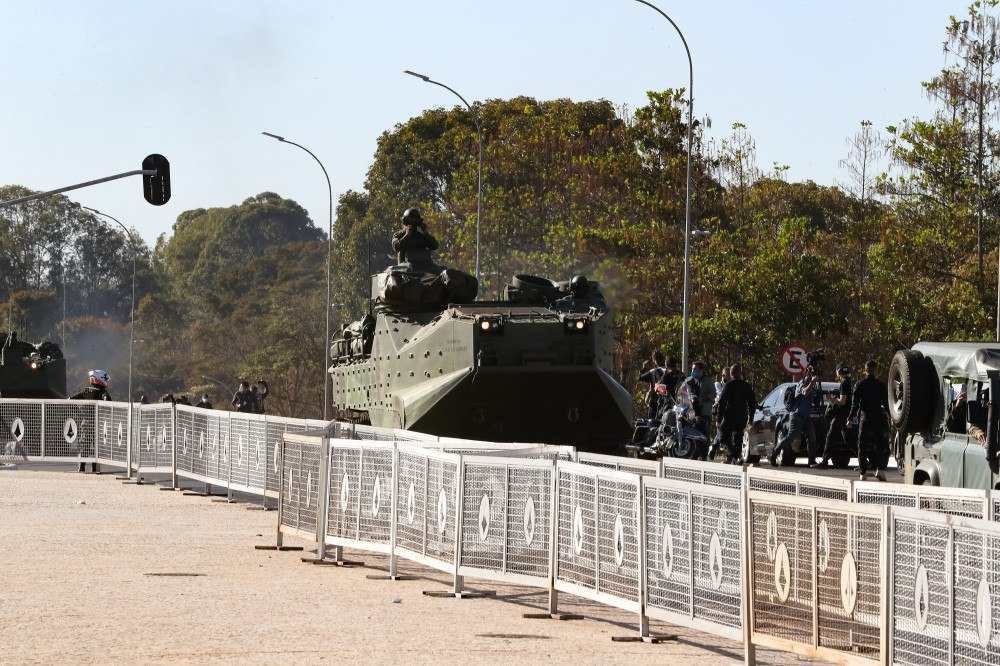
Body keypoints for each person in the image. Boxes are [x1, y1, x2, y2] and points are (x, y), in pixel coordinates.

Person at [849, 359, 891, 481]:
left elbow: (855, 404)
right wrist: (890, 417)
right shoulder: (880, 385)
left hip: (865, 418)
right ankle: (880, 470)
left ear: (865, 370)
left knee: (862, 445)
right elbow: (886, 404)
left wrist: (850, 418)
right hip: (878, 417)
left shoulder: (860, 384)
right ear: (875, 370)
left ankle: (863, 472)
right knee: (881, 445)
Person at [775, 368, 819, 466]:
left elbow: (814, 398)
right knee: (791, 436)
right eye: (808, 374)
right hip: (797, 415)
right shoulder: (801, 383)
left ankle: (811, 461)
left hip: (806, 416)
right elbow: (804, 392)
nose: (810, 376)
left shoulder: (813, 385)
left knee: (812, 438)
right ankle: (775, 452)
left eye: (811, 375)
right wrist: (812, 382)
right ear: (805, 374)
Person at [70, 370, 112, 473]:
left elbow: (70, 399)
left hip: (86, 422)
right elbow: (108, 402)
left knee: (85, 444)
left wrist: (79, 413)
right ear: (99, 379)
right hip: (98, 422)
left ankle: (81, 467)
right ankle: (95, 468)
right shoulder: (102, 392)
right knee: (97, 446)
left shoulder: (86, 391)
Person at [715, 364, 757, 464]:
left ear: (731, 373)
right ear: (740, 373)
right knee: (738, 438)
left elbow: (721, 403)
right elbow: (752, 403)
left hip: (730, 415)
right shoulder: (746, 386)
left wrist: (718, 419)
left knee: (723, 435)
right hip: (742, 416)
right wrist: (750, 419)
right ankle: (736, 457)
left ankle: (733, 454)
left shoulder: (728, 385)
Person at [819, 364, 853, 467]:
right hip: (848, 414)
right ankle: (864, 461)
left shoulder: (843, 383)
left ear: (839, 371)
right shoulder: (850, 382)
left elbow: (842, 401)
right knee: (849, 439)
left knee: (830, 437)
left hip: (841, 415)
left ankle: (824, 462)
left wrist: (831, 399)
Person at [638, 351, 667, 419]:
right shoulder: (669, 371)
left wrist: (644, 368)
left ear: (654, 360)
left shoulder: (652, 372)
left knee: (652, 425)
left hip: (655, 403)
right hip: (667, 404)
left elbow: (640, 378)